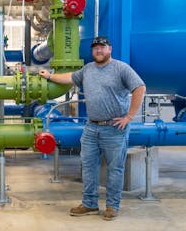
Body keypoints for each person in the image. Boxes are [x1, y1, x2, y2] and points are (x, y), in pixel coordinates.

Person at [39, 36, 146, 221]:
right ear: (92, 51)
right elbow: (70, 77)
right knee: (88, 167)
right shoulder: (88, 69)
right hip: (91, 127)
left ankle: (112, 206)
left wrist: (129, 116)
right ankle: (89, 204)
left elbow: (140, 88)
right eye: (95, 48)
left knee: (115, 169)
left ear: (109, 49)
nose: (99, 50)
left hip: (114, 128)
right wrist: (49, 76)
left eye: (102, 47)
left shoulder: (121, 68)